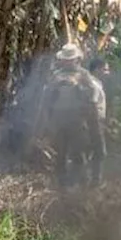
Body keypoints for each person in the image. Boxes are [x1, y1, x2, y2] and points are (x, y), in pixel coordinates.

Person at [39, 43, 107, 186]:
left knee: (78, 152)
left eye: (71, 59)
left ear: (77, 59)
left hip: (77, 120)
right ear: (62, 60)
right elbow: (46, 99)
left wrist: (80, 92)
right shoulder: (56, 76)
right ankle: (62, 185)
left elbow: (92, 96)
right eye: (66, 59)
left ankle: (80, 184)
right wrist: (46, 121)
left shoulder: (83, 75)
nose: (68, 62)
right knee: (60, 154)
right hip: (59, 120)